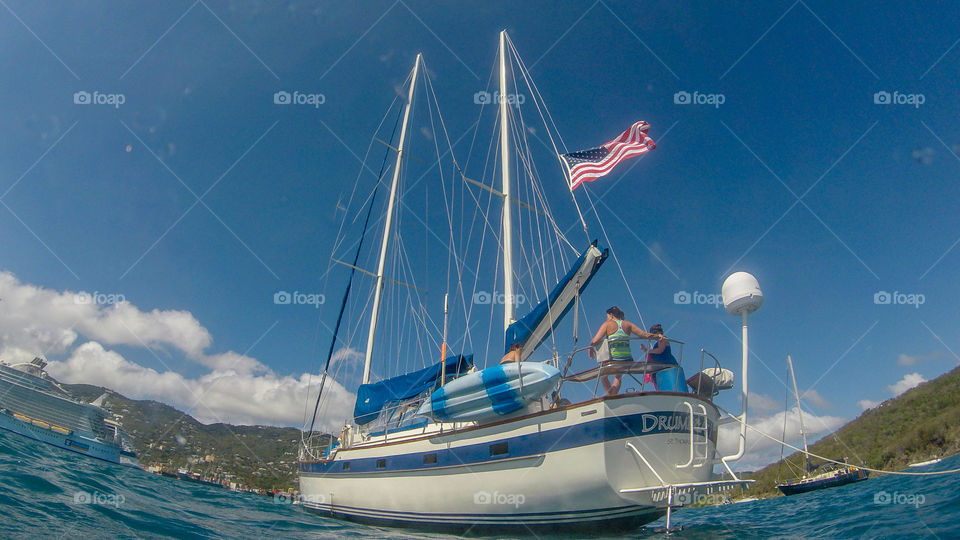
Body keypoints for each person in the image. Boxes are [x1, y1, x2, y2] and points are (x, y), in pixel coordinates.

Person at [589, 306, 661, 396]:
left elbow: (594, 340)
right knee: (618, 376)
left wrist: (590, 349)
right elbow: (644, 335)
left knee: (603, 376)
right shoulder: (628, 324)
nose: (607, 318)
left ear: (611, 315)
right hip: (627, 360)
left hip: (613, 360)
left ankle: (611, 395)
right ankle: (613, 395)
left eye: (607, 316)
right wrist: (658, 336)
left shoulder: (607, 324)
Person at [640, 323, 686, 392]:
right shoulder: (659, 341)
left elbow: (660, 350)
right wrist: (646, 350)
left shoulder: (663, 339)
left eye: (653, 334)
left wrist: (647, 351)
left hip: (668, 365)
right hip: (661, 367)